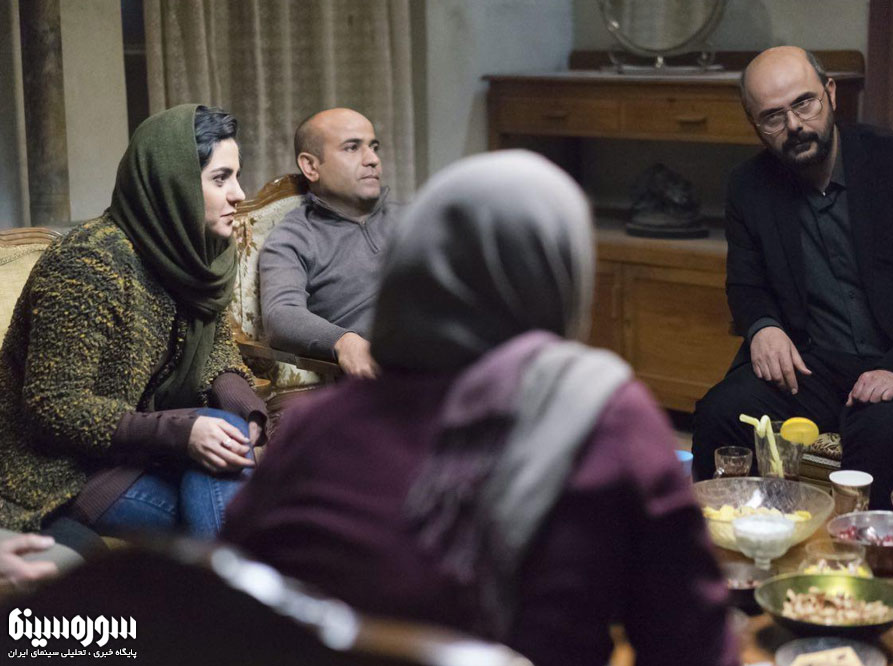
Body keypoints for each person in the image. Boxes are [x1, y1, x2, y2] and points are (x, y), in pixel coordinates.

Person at [223, 151, 739, 666]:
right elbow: (694, 648)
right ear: (557, 278)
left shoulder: (313, 429)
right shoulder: (604, 421)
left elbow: (233, 601)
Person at [691, 47, 893, 508]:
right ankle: (727, 545)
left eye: (803, 103)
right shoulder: (748, 187)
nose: (794, 125)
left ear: (830, 94)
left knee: (878, 433)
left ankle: (858, 553)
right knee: (719, 412)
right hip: (814, 366)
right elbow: (746, 284)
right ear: (754, 123)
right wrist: (763, 327)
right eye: (773, 116)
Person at [0, 104, 266, 538]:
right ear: (172, 182)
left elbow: (216, 348)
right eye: (221, 179)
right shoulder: (88, 262)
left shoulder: (198, 252)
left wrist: (246, 408)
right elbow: (53, 405)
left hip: (142, 449)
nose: (239, 193)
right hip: (61, 469)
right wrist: (181, 432)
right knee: (236, 512)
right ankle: (235, 575)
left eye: (237, 176)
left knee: (230, 443)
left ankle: (230, 575)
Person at [258, 107, 403, 379]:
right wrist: (344, 342)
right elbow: (281, 316)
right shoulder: (294, 237)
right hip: (383, 380)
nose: (373, 160)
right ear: (311, 166)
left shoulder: (413, 218)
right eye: (352, 148)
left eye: (374, 147)